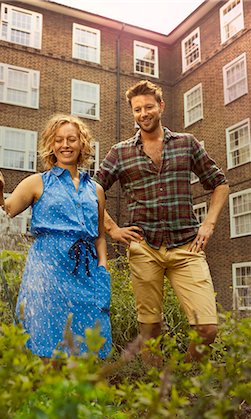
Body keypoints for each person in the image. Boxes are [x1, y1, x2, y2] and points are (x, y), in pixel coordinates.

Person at [93, 80, 229, 364]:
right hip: (144, 248)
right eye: (138, 109)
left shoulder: (186, 143)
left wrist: (209, 225)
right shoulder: (120, 152)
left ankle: (182, 375)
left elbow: (219, 184)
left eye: (149, 107)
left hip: (187, 248)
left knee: (206, 328)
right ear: (133, 112)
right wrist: (112, 228)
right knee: (150, 330)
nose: (144, 113)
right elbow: (92, 191)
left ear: (161, 107)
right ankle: (156, 392)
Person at [0, 114, 112, 360]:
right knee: (47, 342)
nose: (65, 145)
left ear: (82, 144)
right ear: (51, 145)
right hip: (48, 272)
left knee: (87, 346)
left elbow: (99, 236)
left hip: (86, 274)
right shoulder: (36, 183)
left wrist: (103, 267)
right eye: (59, 140)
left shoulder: (96, 190)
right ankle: (46, 396)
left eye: (72, 139)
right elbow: (5, 211)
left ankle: (80, 397)